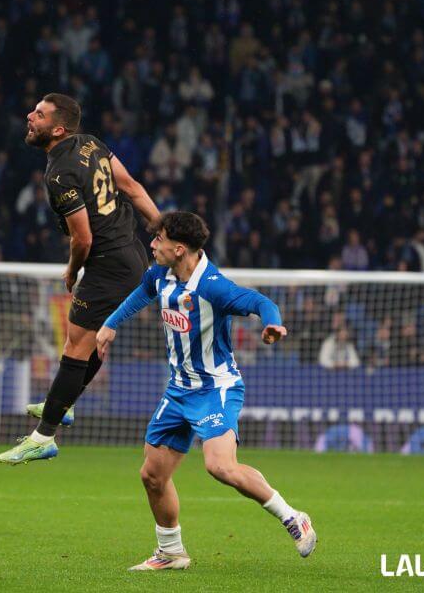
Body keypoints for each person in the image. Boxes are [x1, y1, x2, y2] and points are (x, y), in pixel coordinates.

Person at [95, 212, 317, 570]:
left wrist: (272, 321)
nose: (152, 245)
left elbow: (258, 301)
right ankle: (170, 552)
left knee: (220, 467)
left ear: (179, 249)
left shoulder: (212, 286)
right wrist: (109, 325)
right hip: (178, 390)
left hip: (216, 388)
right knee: (152, 475)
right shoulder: (160, 275)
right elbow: (141, 294)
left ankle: (293, 517)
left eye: (159, 240)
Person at [0, 93, 160, 464]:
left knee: (76, 348)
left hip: (107, 265)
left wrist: (72, 271)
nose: (29, 116)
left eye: (38, 114)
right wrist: (161, 228)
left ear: (57, 129)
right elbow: (132, 187)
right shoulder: (92, 143)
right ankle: (63, 403)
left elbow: (82, 237)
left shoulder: (60, 173)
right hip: (130, 252)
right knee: (84, 341)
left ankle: (44, 436)